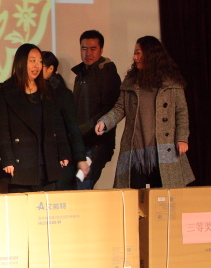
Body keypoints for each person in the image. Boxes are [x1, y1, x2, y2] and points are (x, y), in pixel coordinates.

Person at [94, 36, 194, 188]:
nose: (135, 57)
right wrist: (105, 121)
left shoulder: (172, 83)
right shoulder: (131, 81)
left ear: (150, 54)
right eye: (135, 53)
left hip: (164, 149)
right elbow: (120, 107)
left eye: (138, 53)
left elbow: (181, 113)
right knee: (133, 194)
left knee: (162, 196)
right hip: (135, 149)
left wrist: (182, 139)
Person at [0, 44, 71, 193]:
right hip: (20, 163)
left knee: (46, 206)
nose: (37, 66)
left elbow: (57, 124)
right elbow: (2, 130)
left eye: (40, 61)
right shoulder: (5, 92)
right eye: (32, 60)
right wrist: (7, 159)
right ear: (21, 62)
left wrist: (63, 152)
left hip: (47, 162)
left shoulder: (48, 90)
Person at [71, 30, 121, 189]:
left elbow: (111, 108)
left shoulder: (107, 73)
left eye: (93, 49)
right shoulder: (80, 75)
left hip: (98, 142)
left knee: (82, 184)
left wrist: (84, 128)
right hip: (82, 142)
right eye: (84, 48)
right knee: (75, 185)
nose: (88, 53)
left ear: (101, 50)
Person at [42, 51, 89, 190]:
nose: (35, 68)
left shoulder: (62, 93)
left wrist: (80, 158)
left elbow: (73, 128)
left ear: (51, 69)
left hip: (61, 157)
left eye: (40, 65)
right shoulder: (31, 92)